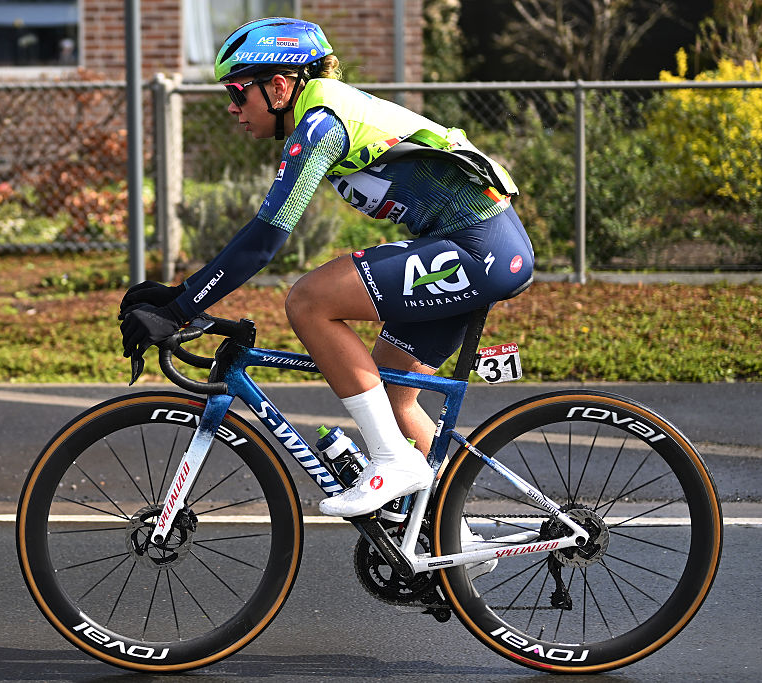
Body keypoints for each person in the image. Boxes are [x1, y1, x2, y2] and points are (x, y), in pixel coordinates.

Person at [119, 17, 533, 518]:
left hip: (478, 247)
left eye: (237, 91)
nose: (232, 107)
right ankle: (454, 543)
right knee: (396, 396)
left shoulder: (321, 123)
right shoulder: (320, 112)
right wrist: (178, 297)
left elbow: (267, 236)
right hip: (474, 246)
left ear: (278, 85)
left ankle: (391, 462)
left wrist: (183, 306)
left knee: (310, 301)